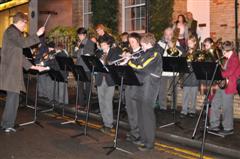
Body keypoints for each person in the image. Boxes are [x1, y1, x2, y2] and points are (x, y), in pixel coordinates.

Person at [0, 12, 47, 132]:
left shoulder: (15, 33)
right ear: (20, 21)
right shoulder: (11, 32)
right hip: (10, 72)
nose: (24, 27)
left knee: (14, 99)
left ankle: (8, 123)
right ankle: (6, 125)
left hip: (13, 71)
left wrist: (34, 67)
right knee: (12, 99)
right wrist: (37, 34)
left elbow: (19, 55)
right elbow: (23, 44)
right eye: (24, 24)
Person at [127, 33, 162, 151]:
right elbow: (137, 65)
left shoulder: (155, 54)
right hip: (140, 87)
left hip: (148, 89)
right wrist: (132, 62)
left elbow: (141, 67)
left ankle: (149, 143)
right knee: (140, 115)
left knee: (147, 116)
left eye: (142, 45)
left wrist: (129, 61)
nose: (141, 47)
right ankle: (142, 139)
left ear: (148, 44)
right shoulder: (146, 53)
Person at [209, 41, 240, 136]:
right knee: (215, 103)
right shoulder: (226, 58)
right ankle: (214, 125)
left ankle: (228, 128)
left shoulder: (234, 59)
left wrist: (218, 73)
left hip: (229, 86)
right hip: (222, 84)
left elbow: (228, 73)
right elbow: (223, 69)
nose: (223, 53)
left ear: (230, 50)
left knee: (227, 107)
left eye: (224, 51)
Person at [95, 38, 121, 134]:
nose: (102, 47)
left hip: (110, 80)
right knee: (101, 101)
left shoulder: (114, 52)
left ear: (108, 45)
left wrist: (104, 60)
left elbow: (113, 64)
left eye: (104, 45)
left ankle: (109, 124)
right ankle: (105, 121)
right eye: (101, 45)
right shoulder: (99, 53)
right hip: (100, 79)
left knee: (108, 101)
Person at [120, 32, 142, 144]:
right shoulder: (131, 53)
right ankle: (134, 131)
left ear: (138, 41)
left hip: (137, 86)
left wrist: (130, 59)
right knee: (130, 110)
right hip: (129, 84)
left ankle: (138, 135)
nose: (131, 44)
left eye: (133, 42)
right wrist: (124, 61)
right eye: (130, 42)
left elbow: (140, 69)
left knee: (136, 111)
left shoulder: (142, 53)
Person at [157, 27, 185, 110]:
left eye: (170, 34)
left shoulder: (177, 43)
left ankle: (174, 107)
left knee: (174, 90)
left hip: (173, 71)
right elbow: (157, 55)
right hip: (163, 71)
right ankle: (163, 107)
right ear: (164, 35)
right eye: (166, 34)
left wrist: (174, 47)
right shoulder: (160, 44)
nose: (168, 36)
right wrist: (166, 46)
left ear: (172, 35)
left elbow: (183, 54)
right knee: (162, 90)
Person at [73, 27, 95, 109]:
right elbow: (74, 54)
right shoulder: (78, 43)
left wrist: (81, 48)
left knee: (88, 87)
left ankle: (88, 104)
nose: (80, 37)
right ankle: (81, 103)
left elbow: (91, 53)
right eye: (79, 35)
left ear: (85, 35)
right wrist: (76, 49)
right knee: (80, 86)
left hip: (87, 67)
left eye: (81, 35)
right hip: (79, 67)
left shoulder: (90, 42)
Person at [180, 35, 200, 118]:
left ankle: (192, 110)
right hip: (186, 76)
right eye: (188, 43)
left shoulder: (198, 53)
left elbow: (199, 65)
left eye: (190, 42)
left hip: (195, 76)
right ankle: (184, 110)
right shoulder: (185, 52)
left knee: (193, 95)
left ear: (195, 42)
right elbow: (181, 65)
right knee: (185, 95)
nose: (189, 44)